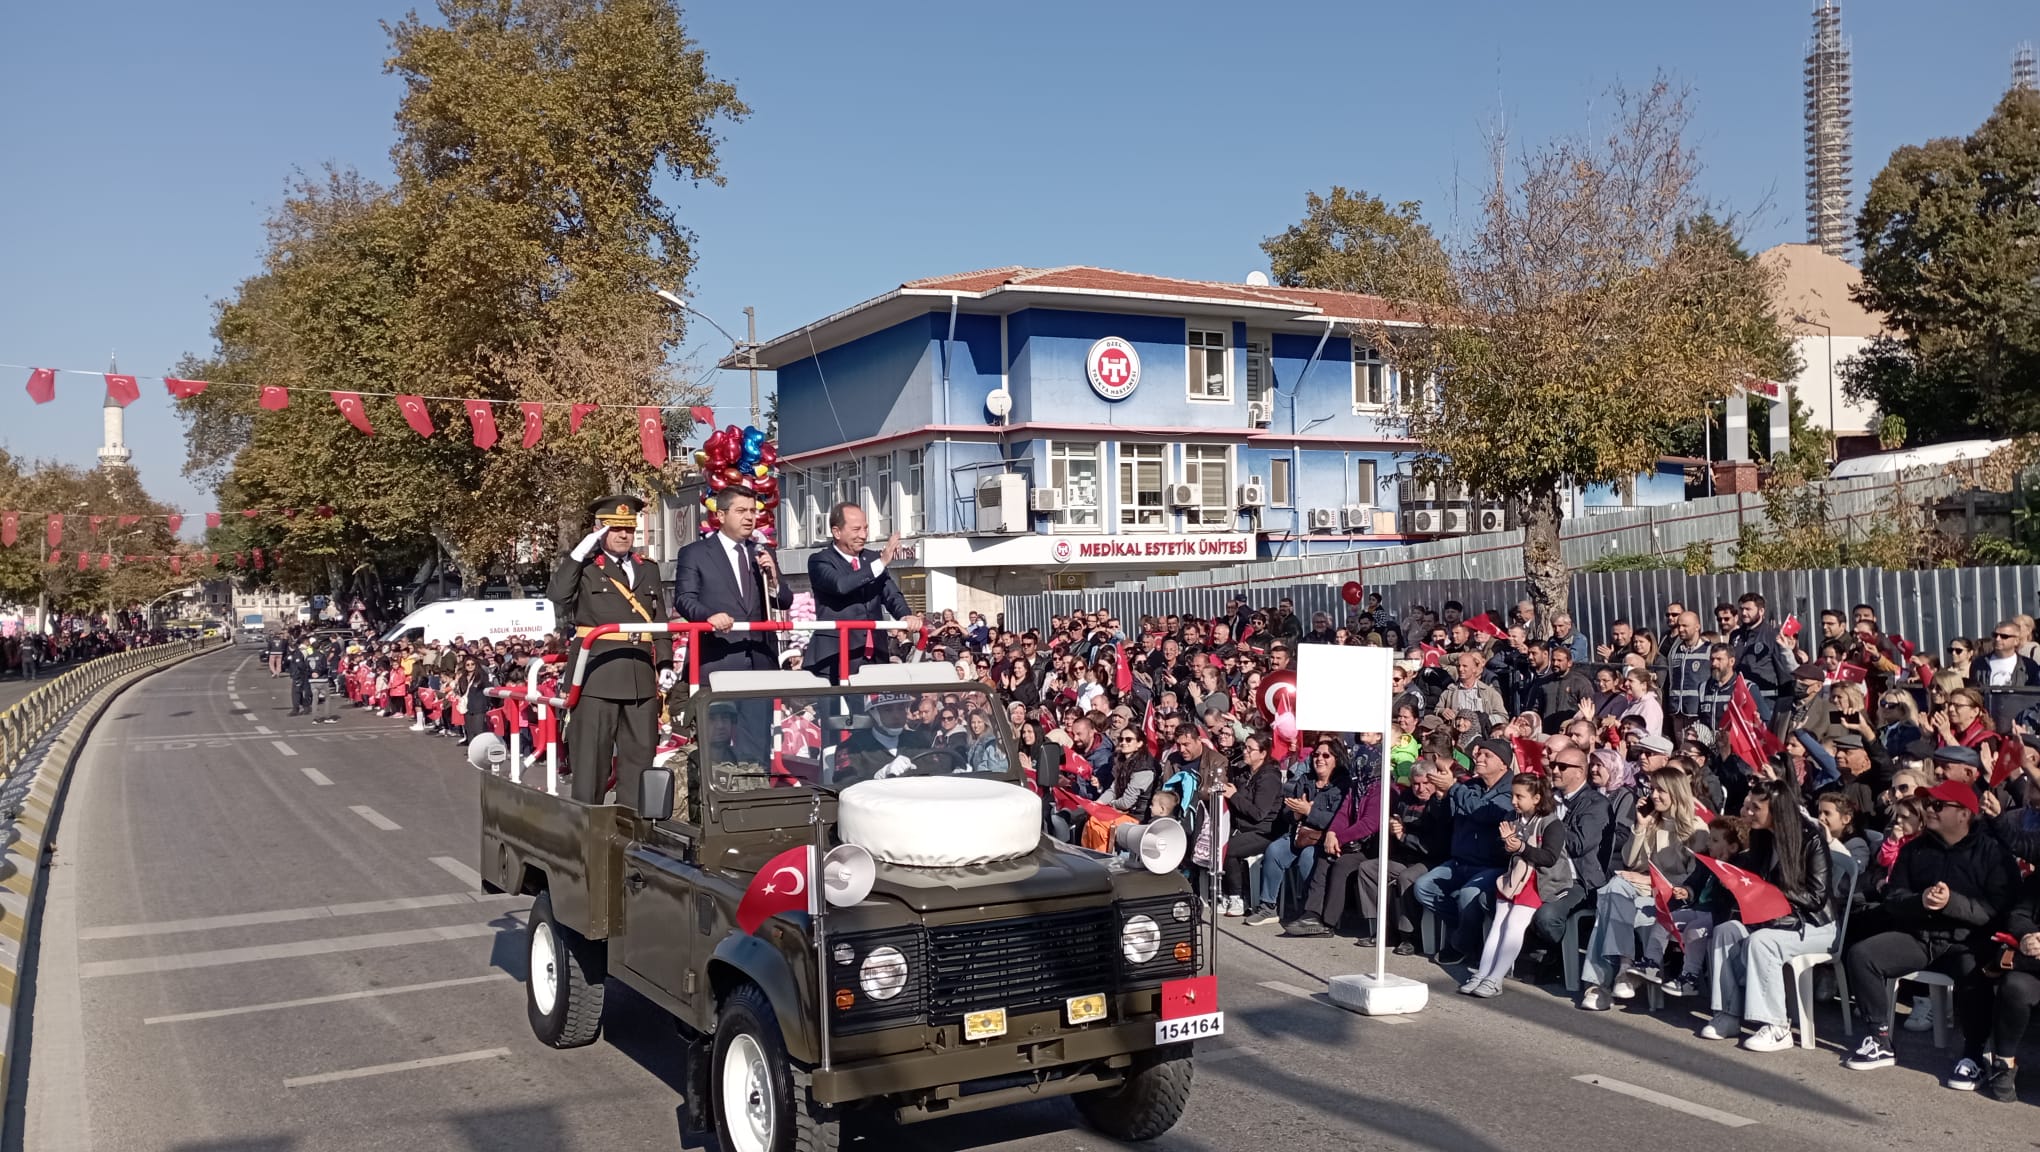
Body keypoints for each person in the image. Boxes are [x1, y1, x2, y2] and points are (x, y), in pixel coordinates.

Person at [1844, 780, 2021, 1075]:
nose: (1930, 810)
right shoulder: (1915, 850)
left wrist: (1952, 903)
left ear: (1964, 814)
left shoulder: (1994, 854)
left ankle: (1974, 1055)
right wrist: (1921, 901)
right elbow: (1893, 897)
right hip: (1920, 937)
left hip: (1968, 942)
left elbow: (1999, 912)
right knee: (1863, 955)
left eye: (1938, 805)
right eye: (1928, 805)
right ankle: (1880, 1039)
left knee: (1974, 973)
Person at [548, 494, 674, 805]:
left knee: (640, 760)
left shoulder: (648, 568)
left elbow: (659, 619)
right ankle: (586, 832)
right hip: (596, 676)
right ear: (599, 530)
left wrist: (666, 663)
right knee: (591, 763)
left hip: (639, 677)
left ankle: (632, 832)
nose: (623, 535)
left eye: (628, 529)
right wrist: (580, 550)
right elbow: (558, 595)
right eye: (615, 528)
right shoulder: (587, 567)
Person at [1699, 777, 1838, 1051]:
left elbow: (1816, 897)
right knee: (1726, 931)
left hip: (1815, 926)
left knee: (1761, 942)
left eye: (1755, 808)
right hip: (1775, 920)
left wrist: (1774, 890)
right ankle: (1727, 1014)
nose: (1747, 812)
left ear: (1775, 809)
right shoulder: (1762, 837)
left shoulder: (1811, 840)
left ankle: (1776, 1025)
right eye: (1747, 806)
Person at [673, 486, 795, 762]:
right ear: (720, 515)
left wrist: (773, 578)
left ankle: (755, 794)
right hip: (718, 660)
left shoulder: (761, 553)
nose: (749, 517)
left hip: (759, 663)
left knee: (757, 746)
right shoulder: (695, 553)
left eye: (753, 511)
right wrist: (708, 616)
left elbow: (784, 600)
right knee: (714, 747)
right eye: (741, 511)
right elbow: (684, 599)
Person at [1578, 768, 1707, 1010]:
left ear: (1676, 793)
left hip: (1670, 898)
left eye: (1661, 790)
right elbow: (1631, 862)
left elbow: (1691, 879)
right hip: (1641, 888)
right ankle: (1625, 970)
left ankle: (1601, 985)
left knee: (1608, 910)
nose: (1654, 795)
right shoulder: (1653, 821)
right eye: (1653, 789)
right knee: (1613, 890)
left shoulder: (1695, 828)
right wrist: (1640, 826)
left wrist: (1648, 881)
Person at [1463, 773, 1573, 997]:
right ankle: (1482, 973)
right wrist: (1506, 844)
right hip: (1514, 879)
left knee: (1514, 925)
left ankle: (1495, 979)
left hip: (1539, 881)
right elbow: (1502, 853)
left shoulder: (1552, 824)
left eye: (1519, 796)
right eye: (1513, 795)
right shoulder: (1512, 818)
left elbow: (1549, 858)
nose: (1513, 801)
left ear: (1536, 798)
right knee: (1498, 924)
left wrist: (1520, 847)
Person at [1413, 737, 1517, 963]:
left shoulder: (1511, 791)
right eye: (1479, 753)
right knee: (1423, 887)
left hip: (1492, 866)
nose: (1479, 757)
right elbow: (1445, 818)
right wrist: (1441, 796)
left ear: (1503, 764)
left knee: (1469, 895)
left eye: (1487, 755)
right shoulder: (1471, 786)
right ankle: (1466, 931)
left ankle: (1460, 944)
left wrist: (1452, 788)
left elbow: (1483, 812)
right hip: (1459, 862)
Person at [805, 502, 921, 684]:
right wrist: (881, 563)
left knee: (875, 712)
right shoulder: (820, 560)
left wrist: (905, 616)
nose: (863, 535)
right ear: (837, 532)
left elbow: (890, 594)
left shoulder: (872, 559)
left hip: (874, 656)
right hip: (834, 658)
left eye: (865, 528)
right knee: (836, 712)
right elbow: (840, 585)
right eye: (856, 529)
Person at [1245, 738, 1346, 927]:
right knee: (1275, 850)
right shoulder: (1305, 780)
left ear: (1336, 759)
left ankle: (1312, 910)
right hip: (1300, 833)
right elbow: (1286, 810)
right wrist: (1296, 814)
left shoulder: (1342, 785)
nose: (1319, 759)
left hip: (1325, 838)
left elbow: (1339, 819)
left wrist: (1310, 812)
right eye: (1316, 755)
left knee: (1309, 857)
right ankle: (1268, 907)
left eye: (1326, 755)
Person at [1219, 731, 1285, 917]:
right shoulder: (1245, 773)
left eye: (1250, 749)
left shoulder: (1269, 778)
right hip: (1244, 827)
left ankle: (1238, 897)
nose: (1245, 752)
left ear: (1263, 754)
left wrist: (1234, 796)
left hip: (1265, 831)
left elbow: (1258, 813)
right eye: (1244, 747)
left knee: (1229, 850)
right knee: (1217, 839)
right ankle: (1226, 892)